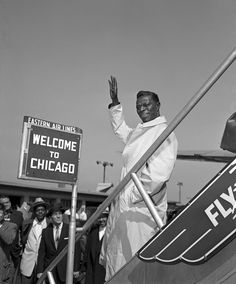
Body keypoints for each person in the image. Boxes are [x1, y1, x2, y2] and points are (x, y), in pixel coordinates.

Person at [100, 76, 178, 280]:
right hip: (124, 208)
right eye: (138, 106)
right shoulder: (139, 132)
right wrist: (116, 103)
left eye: (146, 104)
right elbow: (121, 130)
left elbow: (157, 176)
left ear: (158, 105)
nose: (142, 108)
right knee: (116, 262)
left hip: (140, 209)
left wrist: (130, 196)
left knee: (133, 265)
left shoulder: (164, 132)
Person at [37, 203, 81, 284]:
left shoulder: (70, 229)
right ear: (50, 217)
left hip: (66, 270)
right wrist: (40, 271)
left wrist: (76, 269)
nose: (58, 216)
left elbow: (77, 250)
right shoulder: (46, 232)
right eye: (55, 214)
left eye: (60, 214)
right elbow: (42, 252)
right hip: (51, 271)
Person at [20, 197, 49, 284]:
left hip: (43, 264)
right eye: (38, 210)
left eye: (42, 209)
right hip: (27, 262)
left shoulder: (49, 224)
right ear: (34, 211)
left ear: (45, 211)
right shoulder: (27, 224)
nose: (40, 211)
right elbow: (23, 240)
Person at [84, 208, 109, 284]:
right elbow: (87, 250)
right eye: (99, 217)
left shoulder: (111, 231)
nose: (101, 220)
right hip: (92, 267)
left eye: (103, 217)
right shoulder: (93, 231)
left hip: (104, 268)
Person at [0, 196, 23, 272]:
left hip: (14, 251)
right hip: (1, 250)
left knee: (13, 274)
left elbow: (22, 230)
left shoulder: (18, 214)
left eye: (7, 202)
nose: (5, 205)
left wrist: (21, 246)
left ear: (10, 203)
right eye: (2, 203)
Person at [0, 203, 17, 284]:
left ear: (4, 213)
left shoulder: (11, 226)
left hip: (3, 268)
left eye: (0, 212)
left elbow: (9, 240)